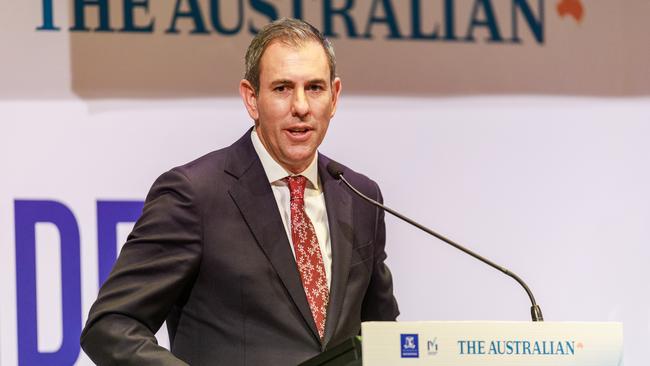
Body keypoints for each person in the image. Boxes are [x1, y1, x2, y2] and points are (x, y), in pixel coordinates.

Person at [80, 18, 399, 366]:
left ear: (334, 96)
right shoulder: (195, 194)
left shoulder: (359, 196)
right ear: (251, 98)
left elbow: (381, 334)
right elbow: (111, 325)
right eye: (282, 88)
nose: (301, 107)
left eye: (315, 88)